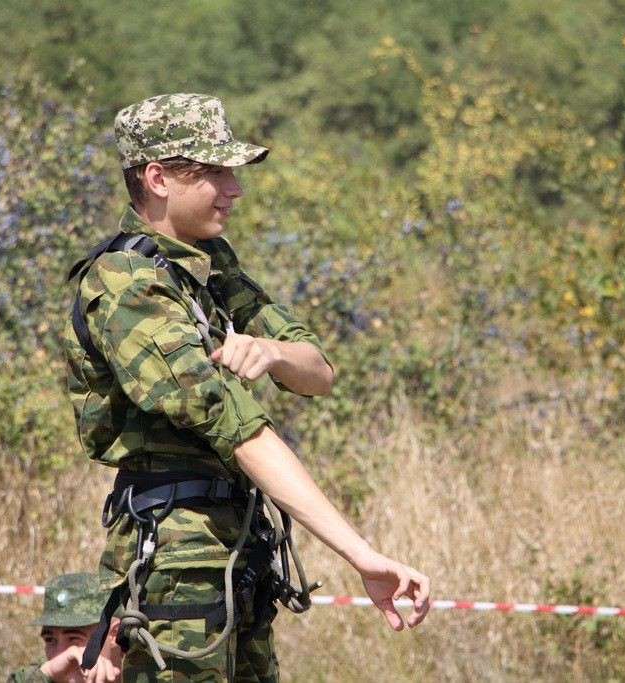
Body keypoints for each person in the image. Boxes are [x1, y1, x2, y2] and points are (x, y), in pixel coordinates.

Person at [63, 93, 430, 681]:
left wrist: (272, 351)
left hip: (237, 547)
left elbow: (318, 371)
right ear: (157, 179)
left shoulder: (207, 263)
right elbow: (234, 426)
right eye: (214, 172)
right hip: (178, 556)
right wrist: (359, 553)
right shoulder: (128, 283)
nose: (234, 189)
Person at [8, 572, 122, 683]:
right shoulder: (45, 672)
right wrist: (48, 674)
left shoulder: (133, 672)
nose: (60, 654)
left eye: (74, 638)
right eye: (50, 639)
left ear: (114, 633)